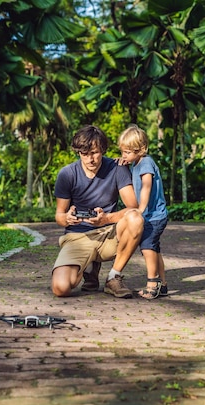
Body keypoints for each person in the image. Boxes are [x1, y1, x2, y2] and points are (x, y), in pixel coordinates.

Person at [51, 125, 144, 298]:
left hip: (108, 233)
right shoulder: (67, 174)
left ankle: (113, 277)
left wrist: (106, 218)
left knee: (136, 218)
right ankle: (88, 268)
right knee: (60, 288)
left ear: (103, 149)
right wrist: (68, 218)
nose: (90, 159)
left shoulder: (117, 167)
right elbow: (59, 216)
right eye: (84, 154)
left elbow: (133, 208)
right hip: (78, 237)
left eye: (94, 152)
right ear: (78, 152)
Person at [118, 124, 168, 299]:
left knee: (147, 247)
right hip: (151, 215)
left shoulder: (146, 163)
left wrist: (140, 209)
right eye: (123, 152)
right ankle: (163, 285)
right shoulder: (137, 162)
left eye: (127, 152)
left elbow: (146, 187)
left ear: (141, 149)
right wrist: (126, 161)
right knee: (155, 249)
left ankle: (152, 284)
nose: (124, 155)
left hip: (154, 215)